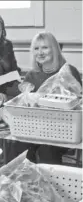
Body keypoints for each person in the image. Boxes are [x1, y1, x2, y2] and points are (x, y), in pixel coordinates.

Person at [24, 31, 82, 164]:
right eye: (36, 48)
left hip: (63, 130)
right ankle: (22, 182)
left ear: (54, 49)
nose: (40, 52)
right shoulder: (31, 76)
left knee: (46, 151)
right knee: (17, 146)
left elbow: (78, 103)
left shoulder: (68, 72)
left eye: (45, 47)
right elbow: (21, 101)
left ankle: (49, 184)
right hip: (34, 129)